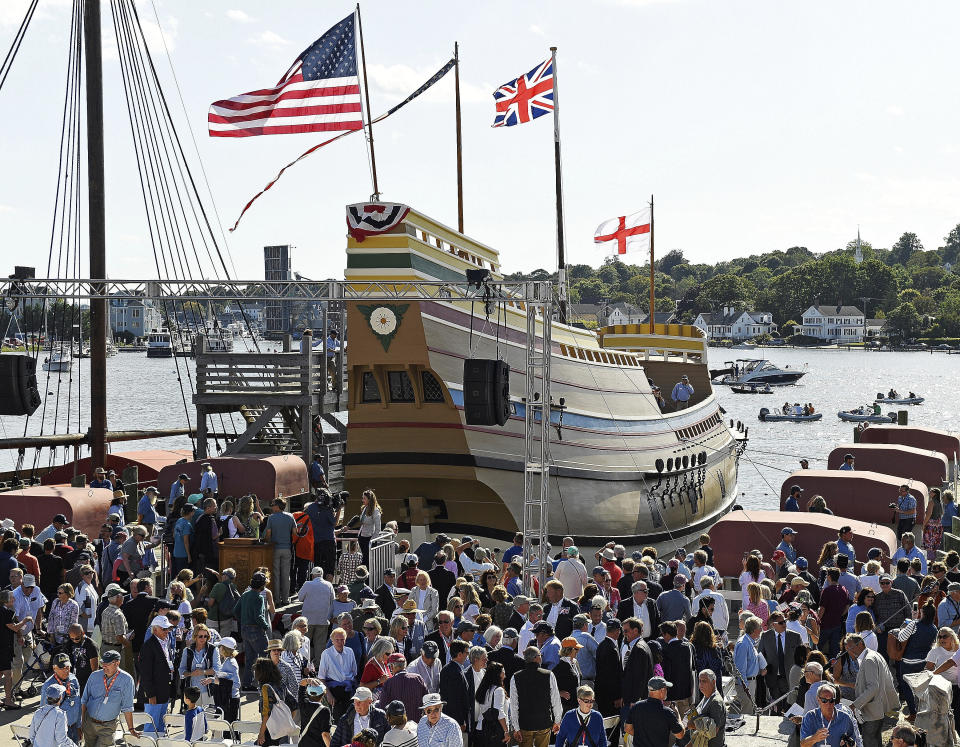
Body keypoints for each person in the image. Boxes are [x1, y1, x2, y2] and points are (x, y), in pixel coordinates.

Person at [509, 646, 562, 747]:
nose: (541, 657)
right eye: (540, 655)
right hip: (544, 722)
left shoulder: (516, 677)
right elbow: (556, 700)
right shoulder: (549, 675)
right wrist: (557, 721)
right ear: (536, 658)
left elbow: (514, 705)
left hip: (525, 724)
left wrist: (516, 727)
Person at [624, 675, 685, 747]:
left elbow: (627, 729)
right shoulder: (667, 712)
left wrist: (643, 738)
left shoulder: (636, 707)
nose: (667, 691)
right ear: (662, 690)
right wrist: (678, 716)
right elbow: (680, 735)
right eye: (666, 689)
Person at [239, 571, 271, 691]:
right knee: (265, 658)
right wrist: (266, 626)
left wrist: (244, 621)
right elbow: (259, 616)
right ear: (262, 585)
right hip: (256, 630)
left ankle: (247, 684)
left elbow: (236, 610)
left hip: (245, 629)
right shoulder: (259, 597)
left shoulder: (245, 594)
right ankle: (265, 684)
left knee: (250, 659)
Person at [378, 652, 428, 725]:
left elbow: (383, 707)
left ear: (392, 666)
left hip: (397, 727)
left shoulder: (389, 683)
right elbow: (427, 701)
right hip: (418, 726)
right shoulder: (418, 678)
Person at [299, 565, 335, 664]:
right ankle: (319, 666)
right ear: (322, 575)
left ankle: (304, 664)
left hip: (308, 620)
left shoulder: (307, 584)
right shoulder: (328, 585)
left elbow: (300, 598)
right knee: (320, 644)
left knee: (305, 643)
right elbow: (333, 600)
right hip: (323, 619)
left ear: (312, 575)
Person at [264, 497, 296, 606]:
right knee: (286, 574)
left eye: (273, 504)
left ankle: (277, 599)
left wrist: (267, 541)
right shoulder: (290, 516)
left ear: (277, 506)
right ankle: (286, 599)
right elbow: (295, 533)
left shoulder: (271, 518)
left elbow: (268, 534)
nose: (271, 506)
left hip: (275, 548)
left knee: (276, 575)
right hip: (287, 548)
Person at [733, 616, 764, 714]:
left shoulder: (749, 642)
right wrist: (745, 688)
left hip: (750, 683)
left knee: (750, 711)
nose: (761, 630)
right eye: (760, 628)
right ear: (754, 630)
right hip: (746, 684)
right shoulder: (744, 644)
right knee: (747, 714)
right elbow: (740, 668)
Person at [689, 670, 725, 747]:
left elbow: (714, 730)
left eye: (704, 681)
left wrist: (693, 725)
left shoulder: (716, 702)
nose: (701, 684)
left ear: (713, 682)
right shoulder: (706, 696)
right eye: (700, 681)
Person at [358, 489, 383, 566]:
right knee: (365, 558)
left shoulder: (375, 511)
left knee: (367, 561)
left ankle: (367, 577)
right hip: (362, 537)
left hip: (369, 538)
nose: (362, 500)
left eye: (364, 498)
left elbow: (378, 529)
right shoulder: (365, 508)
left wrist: (372, 541)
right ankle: (365, 576)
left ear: (369, 499)